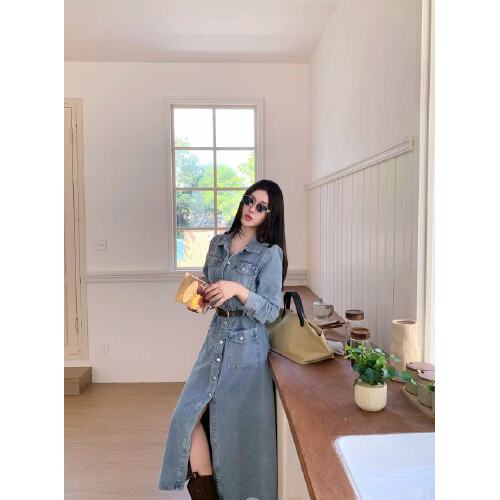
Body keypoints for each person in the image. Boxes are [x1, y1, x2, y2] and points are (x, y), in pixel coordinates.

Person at [157, 179, 288, 500]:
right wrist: (202, 297)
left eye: (261, 207)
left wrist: (238, 290)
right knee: (186, 418)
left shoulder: (269, 254)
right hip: (216, 337)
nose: (252, 209)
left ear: (270, 214)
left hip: (248, 348)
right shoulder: (218, 243)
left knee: (231, 433)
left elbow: (271, 311)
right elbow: (211, 285)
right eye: (249, 200)